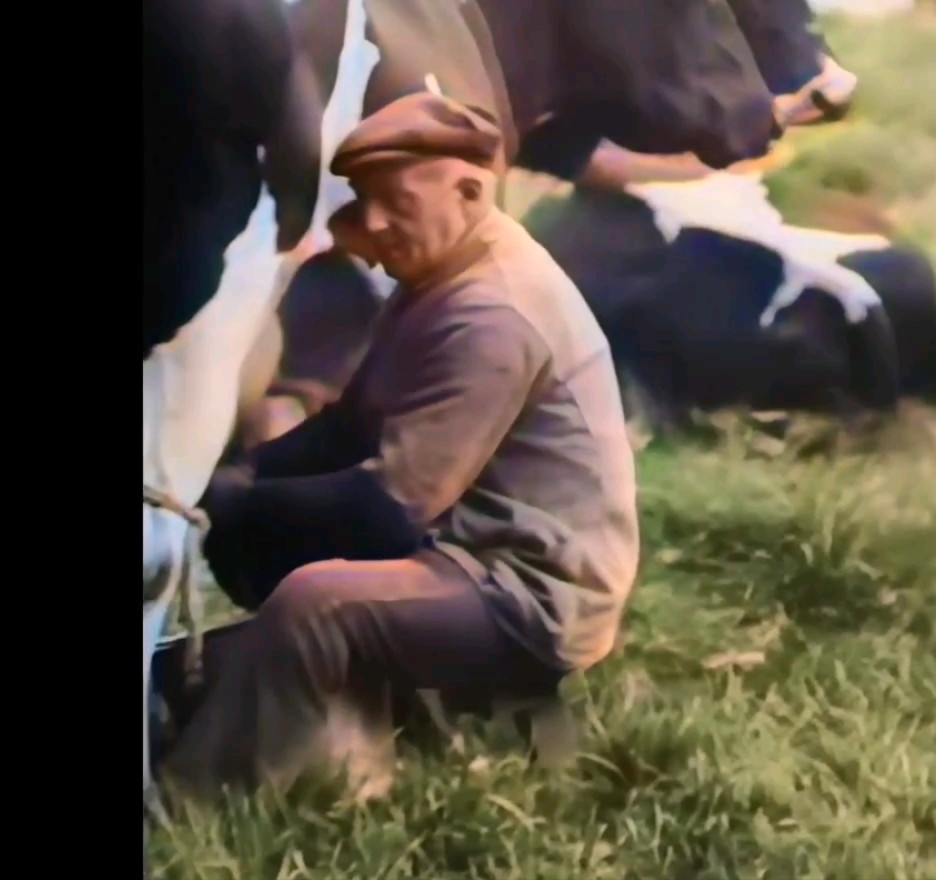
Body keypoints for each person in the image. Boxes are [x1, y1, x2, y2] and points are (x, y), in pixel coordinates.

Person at [159, 90, 641, 801]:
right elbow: (346, 428)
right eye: (364, 200)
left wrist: (238, 503)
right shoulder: (445, 273)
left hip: (529, 590)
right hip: (470, 548)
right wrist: (225, 481)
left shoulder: (492, 312)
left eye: (397, 202)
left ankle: (192, 805)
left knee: (315, 604)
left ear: (470, 189)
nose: (373, 225)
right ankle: (346, 710)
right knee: (257, 551)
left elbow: (387, 508)